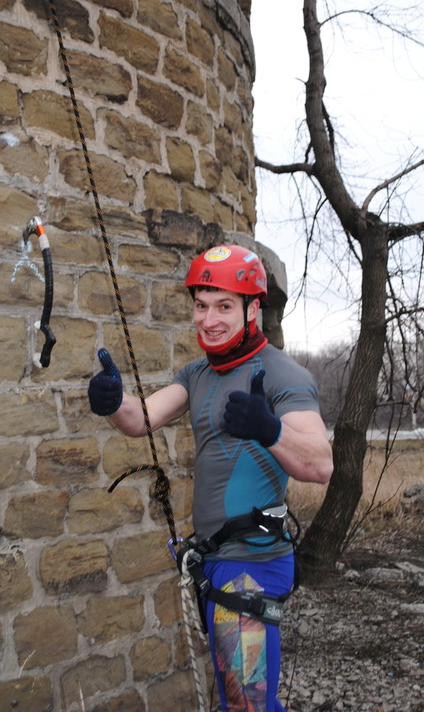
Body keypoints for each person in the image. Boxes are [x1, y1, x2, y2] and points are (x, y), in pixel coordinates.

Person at [88, 243, 333, 712]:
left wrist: (269, 428)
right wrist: (112, 400)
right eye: (201, 306)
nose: (209, 319)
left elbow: (320, 465)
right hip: (218, 561)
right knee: (240, 699)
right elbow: (141, 418)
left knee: (246, 705)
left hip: (252, 566)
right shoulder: (198, 373)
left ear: (253, 308)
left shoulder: (284, 376)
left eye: (224, 306)